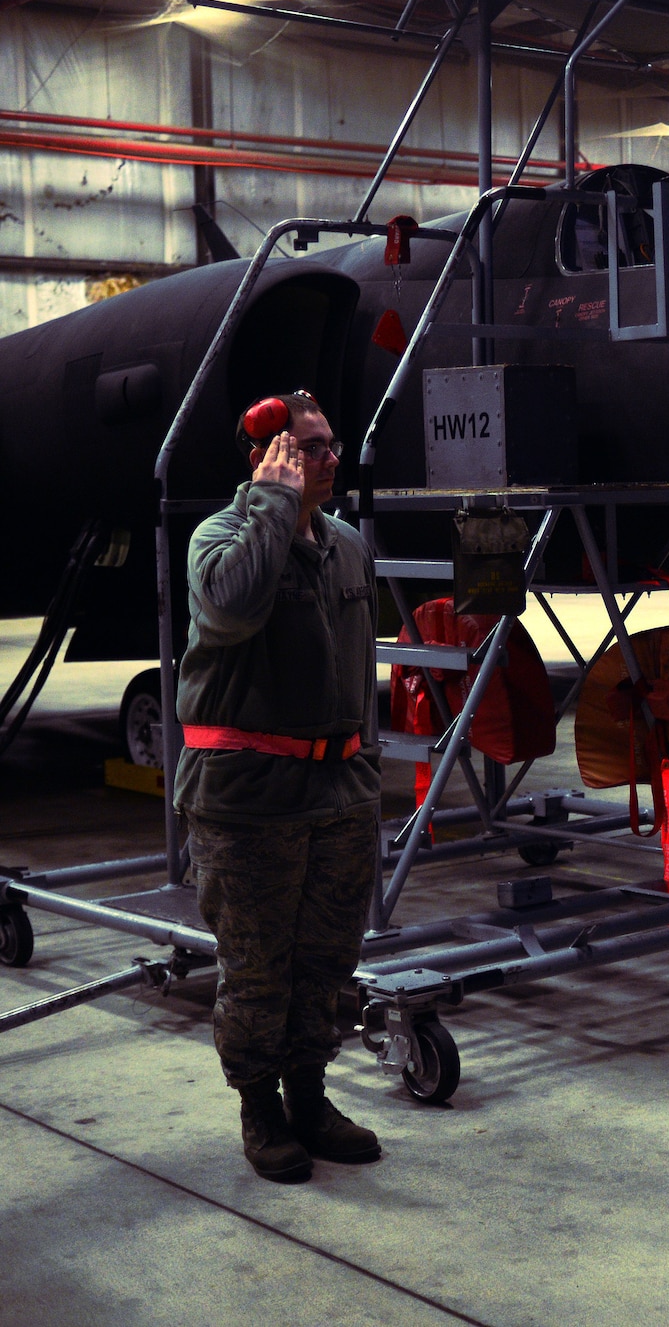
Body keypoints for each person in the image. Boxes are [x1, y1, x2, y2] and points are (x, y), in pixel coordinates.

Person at [176, 391, 383, 1183]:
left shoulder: (350, 548)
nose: (332, 459)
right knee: (259, 966)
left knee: (325, 961)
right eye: (312, 448)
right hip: (250, 800)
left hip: (338, 792)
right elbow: (230, 607)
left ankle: (310, 1096)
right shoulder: (221, 539)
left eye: (332, 445)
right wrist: (273, 503)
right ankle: (260, 1108)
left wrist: (365, 774)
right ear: (271, 457)